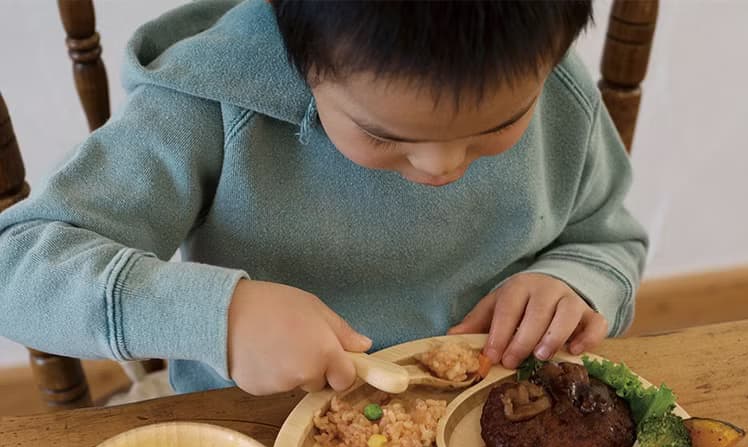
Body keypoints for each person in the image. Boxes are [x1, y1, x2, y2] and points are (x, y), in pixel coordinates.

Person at [0, 0, 646, 397]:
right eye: (382, 133)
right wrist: (219, 319)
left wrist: (576, 283)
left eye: (498, 125)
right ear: (298, 55)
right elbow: (19, 268)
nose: (442, 166)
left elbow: (607, 238)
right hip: (256, 434)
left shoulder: (557, 89)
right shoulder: (209, 102)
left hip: (490, 416)